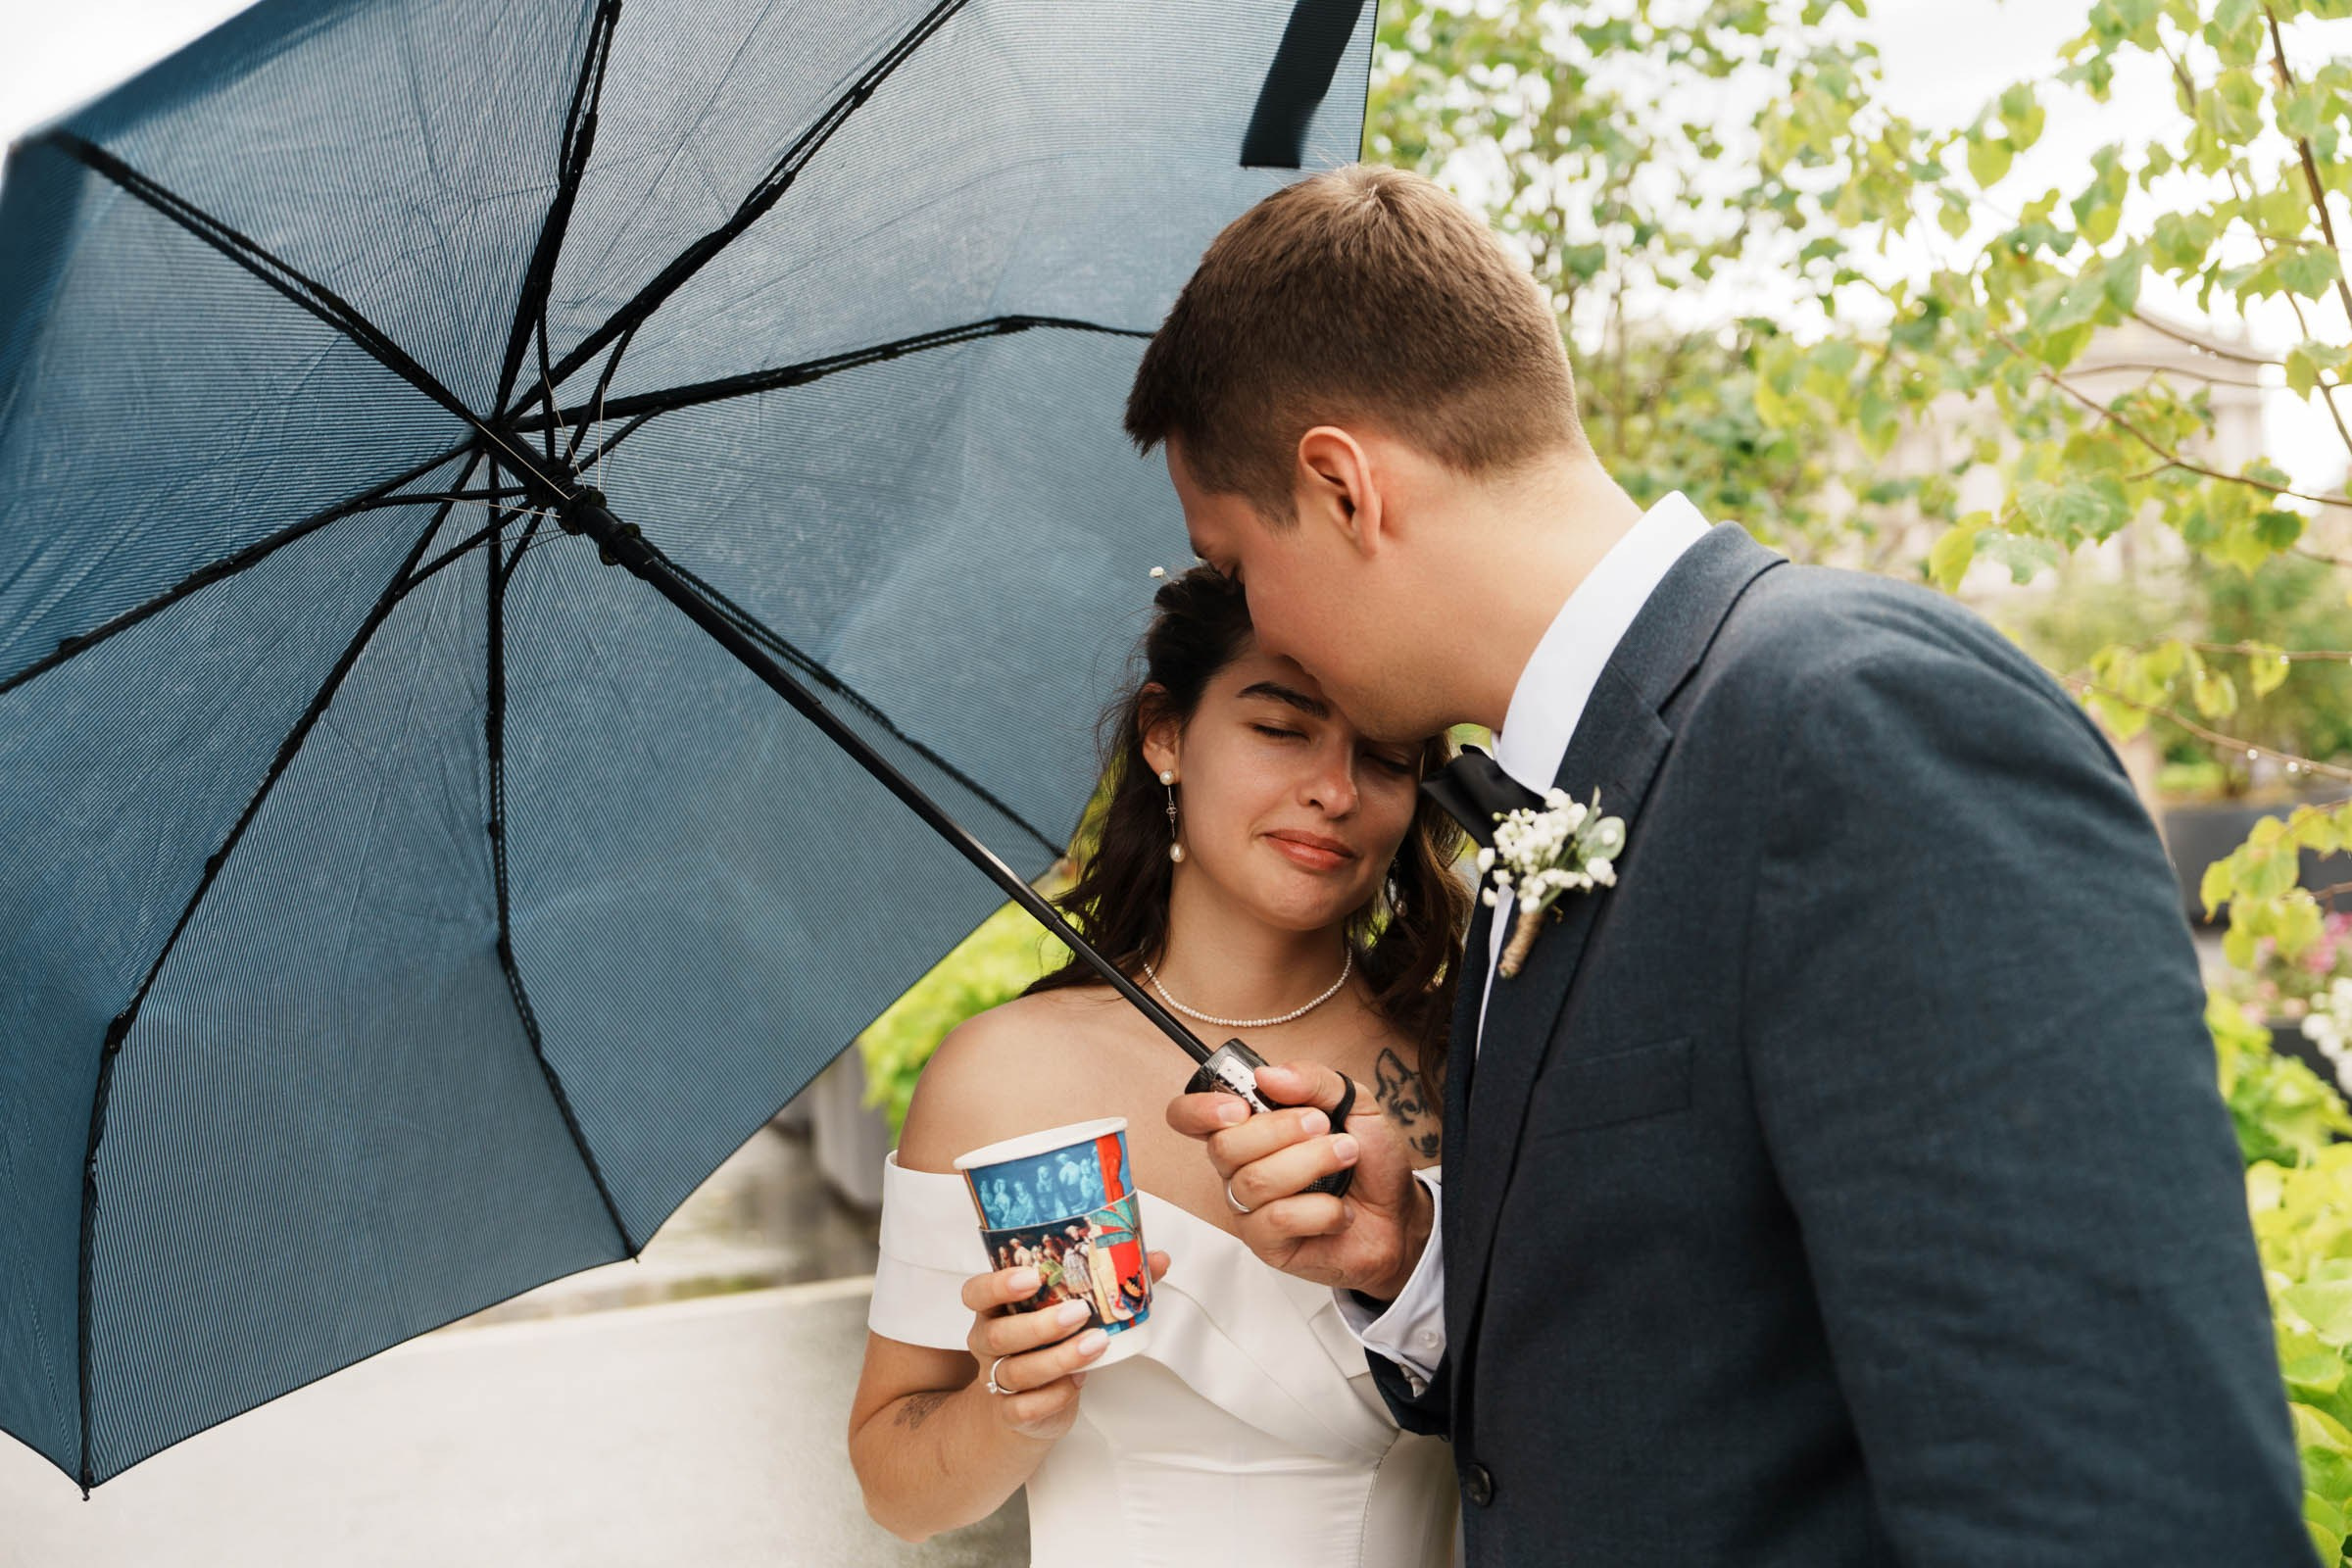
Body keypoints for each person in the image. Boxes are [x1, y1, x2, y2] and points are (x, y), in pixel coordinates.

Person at [1143, 164, 2311, 1565]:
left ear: (1341, 488)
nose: (1256, 614)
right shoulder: (1549, 806)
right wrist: (1414, 1265)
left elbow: (2115, 1500)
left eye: (1233, 559)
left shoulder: (1858, 728)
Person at [848, 565, 1474, 1567]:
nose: (1334, 789)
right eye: (1281, 728)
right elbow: (895, 1486)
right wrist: (1009, 1412)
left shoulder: (1465, 1051)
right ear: (1166, 732)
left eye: (1388, 755)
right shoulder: (1003, 1076)